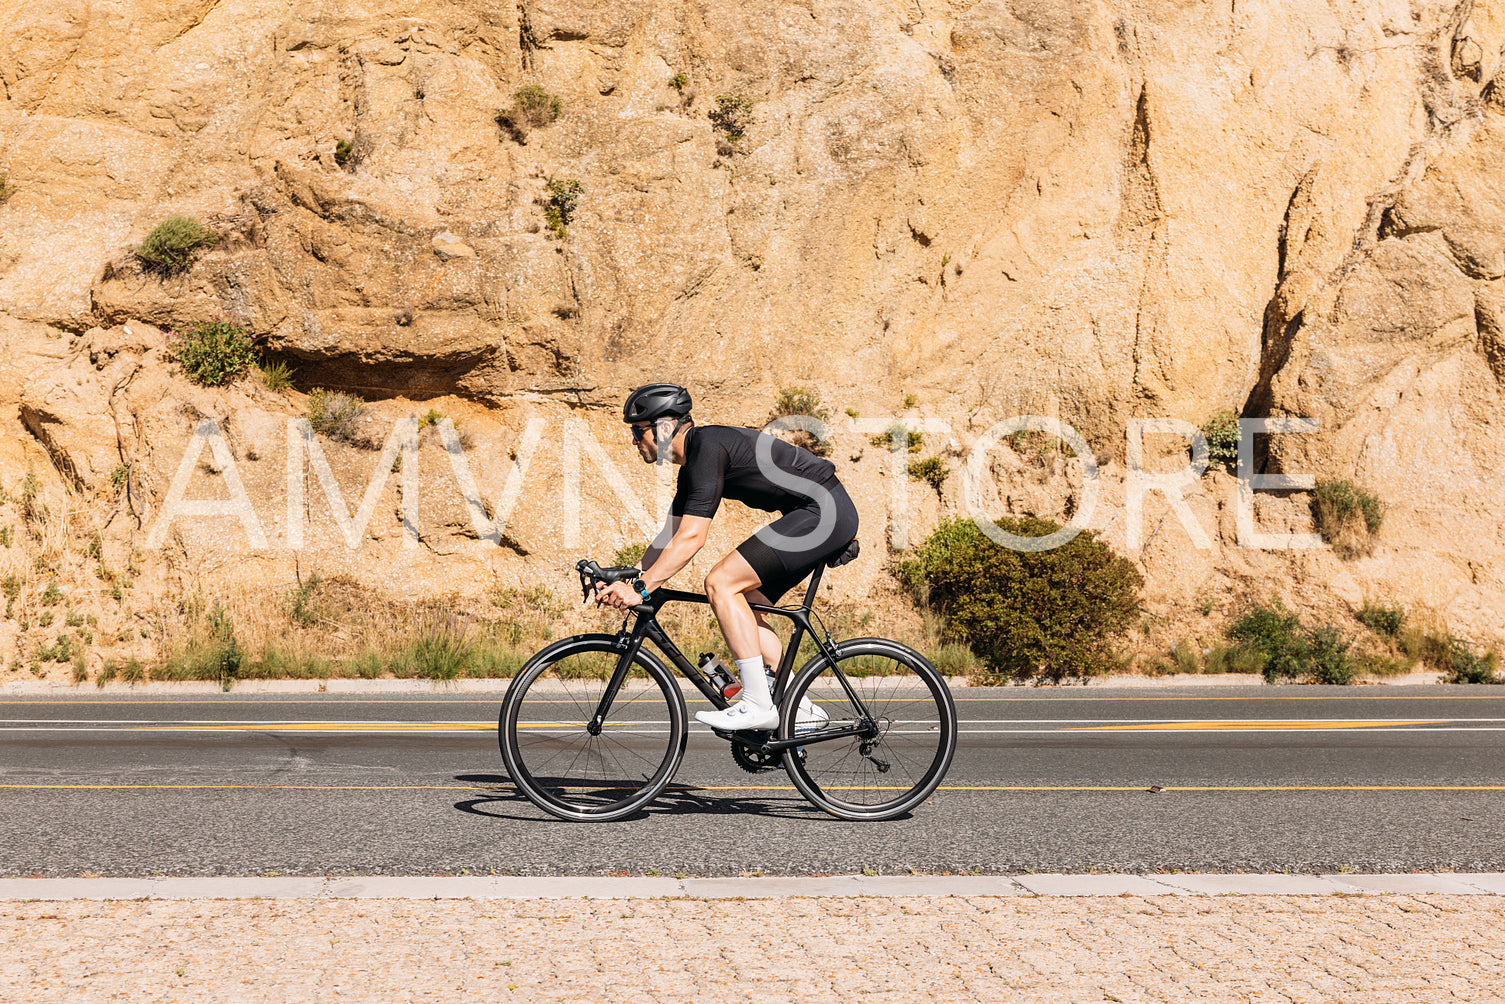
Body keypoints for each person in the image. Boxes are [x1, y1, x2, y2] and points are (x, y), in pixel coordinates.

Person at [593, 383, 859, 731]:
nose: (633, 440)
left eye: (637, 430)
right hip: (818, 511)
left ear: (663, 427)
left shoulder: (706, 447)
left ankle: (757, 704)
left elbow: (692, 539)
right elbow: (669, 536)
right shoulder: (694, 464)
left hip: (823, 511)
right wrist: (632, 576)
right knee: (745, 602)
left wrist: (641, 589)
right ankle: (801, 707)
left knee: (721, 583)